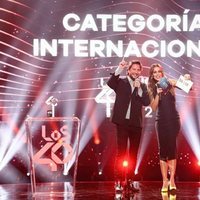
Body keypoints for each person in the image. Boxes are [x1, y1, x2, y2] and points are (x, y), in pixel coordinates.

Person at [107, 59, 150, 193]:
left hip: (136, 124)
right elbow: (110, 83)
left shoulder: (142, 86)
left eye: (138, 70)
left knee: (133, 154)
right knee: (121, 153)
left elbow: (146, 102)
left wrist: (139, 90)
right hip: (122, 123)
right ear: (129, 70)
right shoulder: (121, 82)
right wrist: (119, 68)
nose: (136, 72)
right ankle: (119, 182)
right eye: (134, 69)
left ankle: (129, 181)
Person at [147, 63, 191, 193]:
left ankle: (172, 180)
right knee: (163, 151)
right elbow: (154, 107)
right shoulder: (151, 88)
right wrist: (158, 94)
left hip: (173, 120)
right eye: (154, 72)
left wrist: (187, 78)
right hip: (160, 121)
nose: (157, 74)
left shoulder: (170, 82)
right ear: (152, 75)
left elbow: (187, 86)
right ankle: (164, 181)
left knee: (172, 150)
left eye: (158, 71)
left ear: (162, 72)